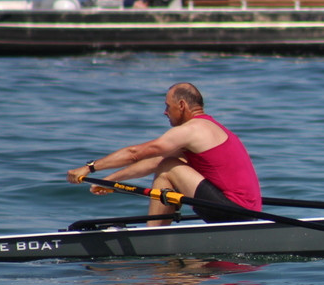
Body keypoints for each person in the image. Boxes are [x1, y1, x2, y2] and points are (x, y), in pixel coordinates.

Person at [66, 83, 262, 226]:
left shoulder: (192, 130)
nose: (165, 112)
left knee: (169, 167)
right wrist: (109, 180)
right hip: (246, 213)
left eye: (168, 106)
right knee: (167, 163)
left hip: (236, 213)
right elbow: (153, 162)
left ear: (182, 105)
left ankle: (154, 235)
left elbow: (135, 153)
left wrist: (89, 168)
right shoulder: (208, 128)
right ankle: (157, 233)